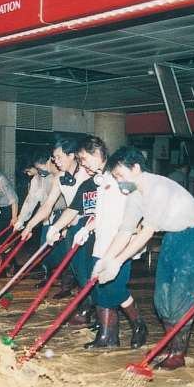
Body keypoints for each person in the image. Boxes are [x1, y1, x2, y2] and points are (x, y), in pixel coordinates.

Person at [97, 146, 194, 367]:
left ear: (136, 168)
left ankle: (178, 354)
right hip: (172, 237)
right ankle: (170, 345)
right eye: (115, 177)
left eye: (120, 175)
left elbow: (147, 231)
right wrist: (106, 260)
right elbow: (126, 230)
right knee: (162, 299)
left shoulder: (158, 187)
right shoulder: (134, 194)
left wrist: (118, 262)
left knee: (181, 300)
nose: (119, 181)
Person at [74, 135, 148, 349]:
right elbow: (102, 212)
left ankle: (138, 324)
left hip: (122, 242)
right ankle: (108, 336)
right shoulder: (102, 180)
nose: (83, 164)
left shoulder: (118, 175)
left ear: (97, 154)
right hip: (102, 240)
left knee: (114, 288)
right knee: (99, 287)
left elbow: (136, 208)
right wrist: (86, 229)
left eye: (84, 159)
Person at [22, 137, 92, 317]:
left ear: (71, 155)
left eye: (59, 157)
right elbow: (48, 204)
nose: (55, 161)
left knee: (88, 271)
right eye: (54, 158)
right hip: (72, 226)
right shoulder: (60, 178)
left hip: (90, 226)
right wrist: (29, 225)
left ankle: (91, 309)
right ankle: (89, 306)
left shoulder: (87, 174)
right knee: (76, 268)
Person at [15, 153, 68, 284]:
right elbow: (30, 201)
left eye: (42, 168)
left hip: (62, 215)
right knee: (44, 246)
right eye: (38, 169)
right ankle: (47, 273)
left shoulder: (59, 176)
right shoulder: (37, 179)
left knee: (63, 248)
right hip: (45, 216)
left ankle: (66, 281)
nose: (40, 172)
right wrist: (22, 220)